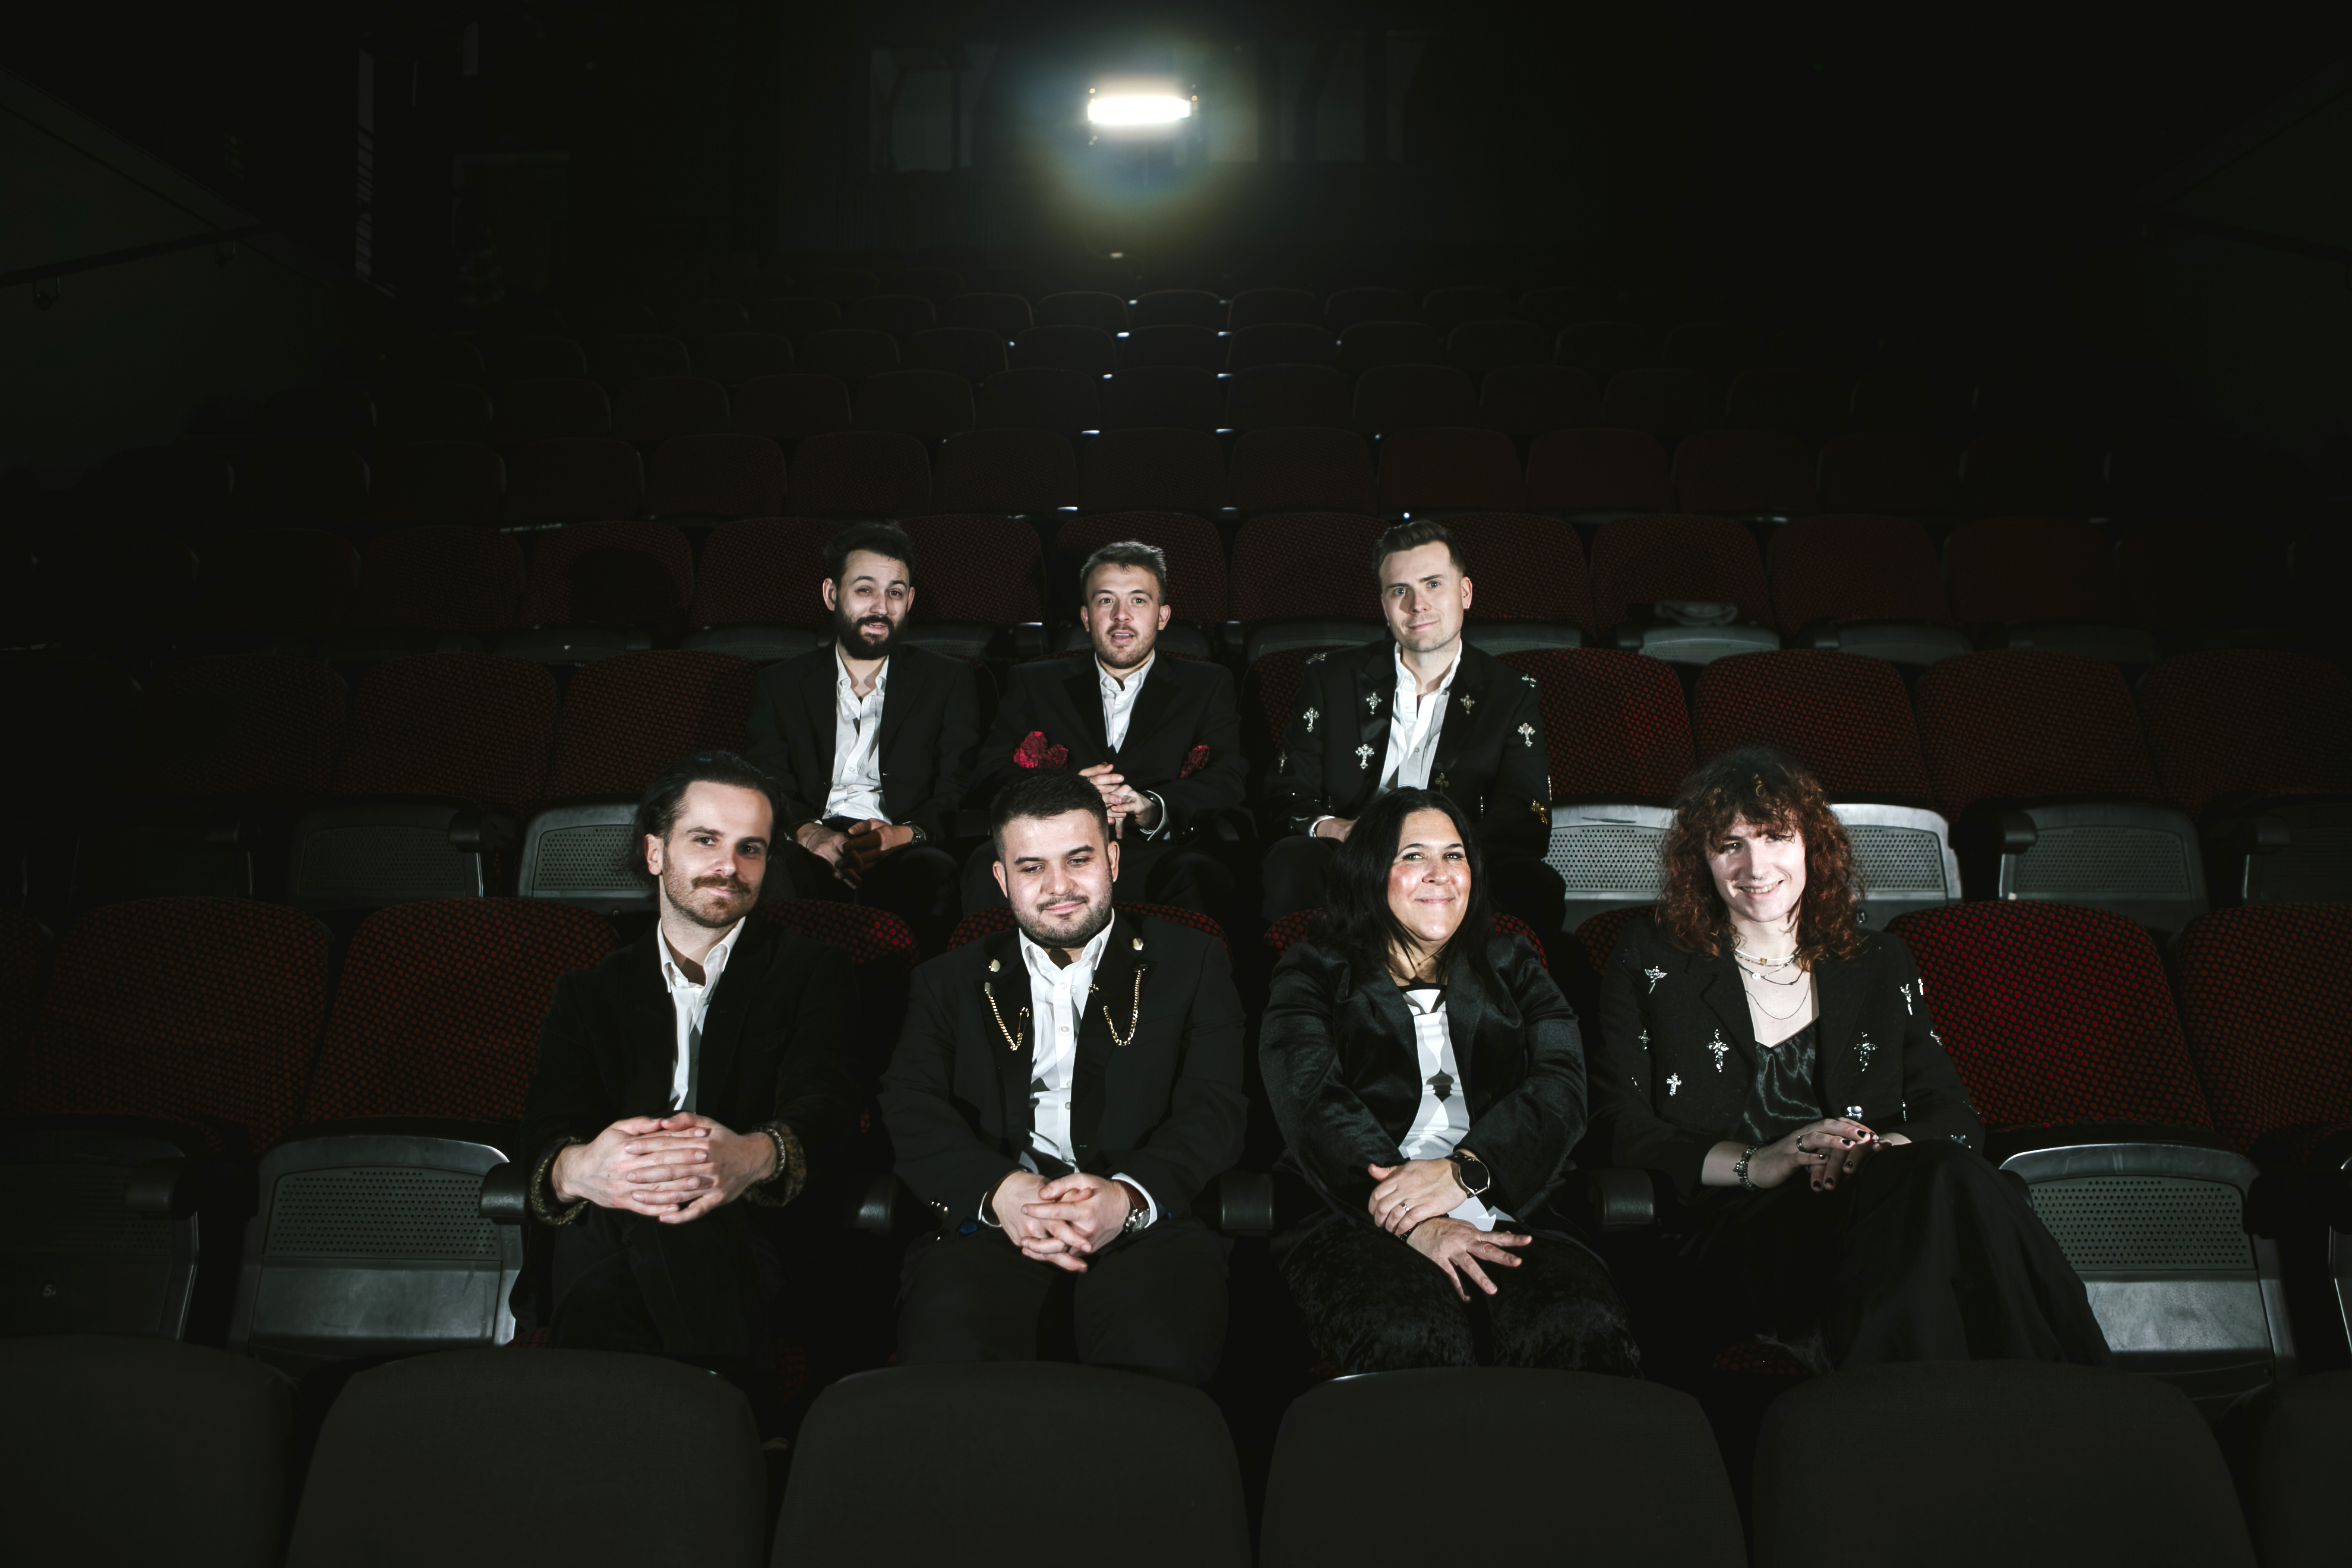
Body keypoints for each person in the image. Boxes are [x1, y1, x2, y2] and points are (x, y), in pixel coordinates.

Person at [1592, 747, 2112, 1369]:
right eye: (1731, 845)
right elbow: (1619, 1126)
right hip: (1737, 1227)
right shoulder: (1651, 958)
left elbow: (1952, 1115)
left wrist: (1880, 1153)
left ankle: (1923, 1401)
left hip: (1883, 1201)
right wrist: (1762, 1162)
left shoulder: (1878, 962)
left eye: (1776, 838)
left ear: (1812, 846)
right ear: (1700, 859)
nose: (1756, 866)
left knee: (1938, 1172)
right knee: (1953, 1186)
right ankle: (2077, 1390)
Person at [881, 770, 1247, 1384]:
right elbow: (911, 1107)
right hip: (996, 1222)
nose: (1059, 888)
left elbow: (1216, 1108)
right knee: (954, 1382)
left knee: (1152, 1386)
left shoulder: (1192, 961)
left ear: (1113, 860)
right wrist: (1002, 1192)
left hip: (1146, 1224)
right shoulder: (946, 981)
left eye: (1079, 860)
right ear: (1002, 879)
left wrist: (1128, 1198)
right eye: (1031, 868)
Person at [1259, 786, 1640, 1375]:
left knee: (1577, 1325)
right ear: (1371, 872)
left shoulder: (1514, 962)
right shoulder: (1313, 970)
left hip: (1514, 1203)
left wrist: (1468, 1174)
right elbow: (1312, 1102)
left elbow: (1561, 1087)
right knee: (1406, 1333)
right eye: (1413, 855)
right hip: (1357, 1211)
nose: (1440, 874)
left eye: (1454, 855)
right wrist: (1417, 1219)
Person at [520, 750, 861, 1368]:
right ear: (656, 853)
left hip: (749, 1226)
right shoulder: (590, 992)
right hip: (610, 1221)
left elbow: (827, 1103)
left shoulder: (814, 971)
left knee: (634, 1262)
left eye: (750, 849)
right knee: (635, 1216)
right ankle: (737, 1413)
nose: (729, 867)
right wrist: (579, 1169)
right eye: (706, 840)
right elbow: (547, 1126)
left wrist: (754, 1155)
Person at [1262, 520, 1564, 938]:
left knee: (1533, 884)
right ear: (1385, 604)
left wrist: (1439, 856)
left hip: (1457, 866)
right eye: (1399, 590)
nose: (1417, 605)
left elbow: (1525, 822)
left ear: (1465, 593)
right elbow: (1286, 796)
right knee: (1292, 860)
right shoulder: (1329, 678)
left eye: (1433, 584)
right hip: (1355, 858)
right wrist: (1337, 829)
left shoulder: (1512, 693)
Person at [960, 540, 1247, 929]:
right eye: (1106, 601)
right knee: (985, 865)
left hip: (1153, 855)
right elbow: (988, 775)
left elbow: (1229, 778)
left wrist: (1152, 807)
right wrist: (1065, 792)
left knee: (1198, 873)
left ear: (1162, 616)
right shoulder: (1034, 682)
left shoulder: (1208, 684)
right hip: (1050, 853)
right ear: (1086, 616)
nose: (1121, 616)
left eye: (1138, 601)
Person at [744, 520, 977, 954]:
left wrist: (902, 835)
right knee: (764, 870)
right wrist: (809, 834)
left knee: (934, 873)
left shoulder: (949, 681)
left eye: (895, 593)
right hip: (806, 840)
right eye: (865, 590)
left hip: (901, 843)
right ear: (832, 594)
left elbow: (956, 787)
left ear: (909, 600)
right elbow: (767, 781)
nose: (881, 607)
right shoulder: (780, 684)